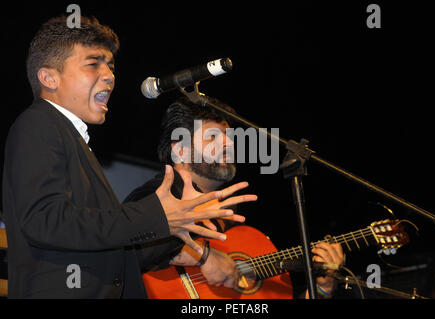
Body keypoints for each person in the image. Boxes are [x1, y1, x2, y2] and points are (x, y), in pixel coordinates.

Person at [1, 15, 255, 298]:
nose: (109, 75)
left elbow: (119, 256)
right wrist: (156, 215)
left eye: (110, 65)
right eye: (92, 63)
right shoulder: (38, 123)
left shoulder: (74, 142)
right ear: (49, 78)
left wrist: (176, 226)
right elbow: (44, 220)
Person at [124, 96, 345, 298]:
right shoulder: (157, 194)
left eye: (230, 137)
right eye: (213, 137)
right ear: (180, 150)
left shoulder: (234, 218)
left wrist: (322, 289)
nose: (229, 144)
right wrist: (203, 256)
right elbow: (124, 248)